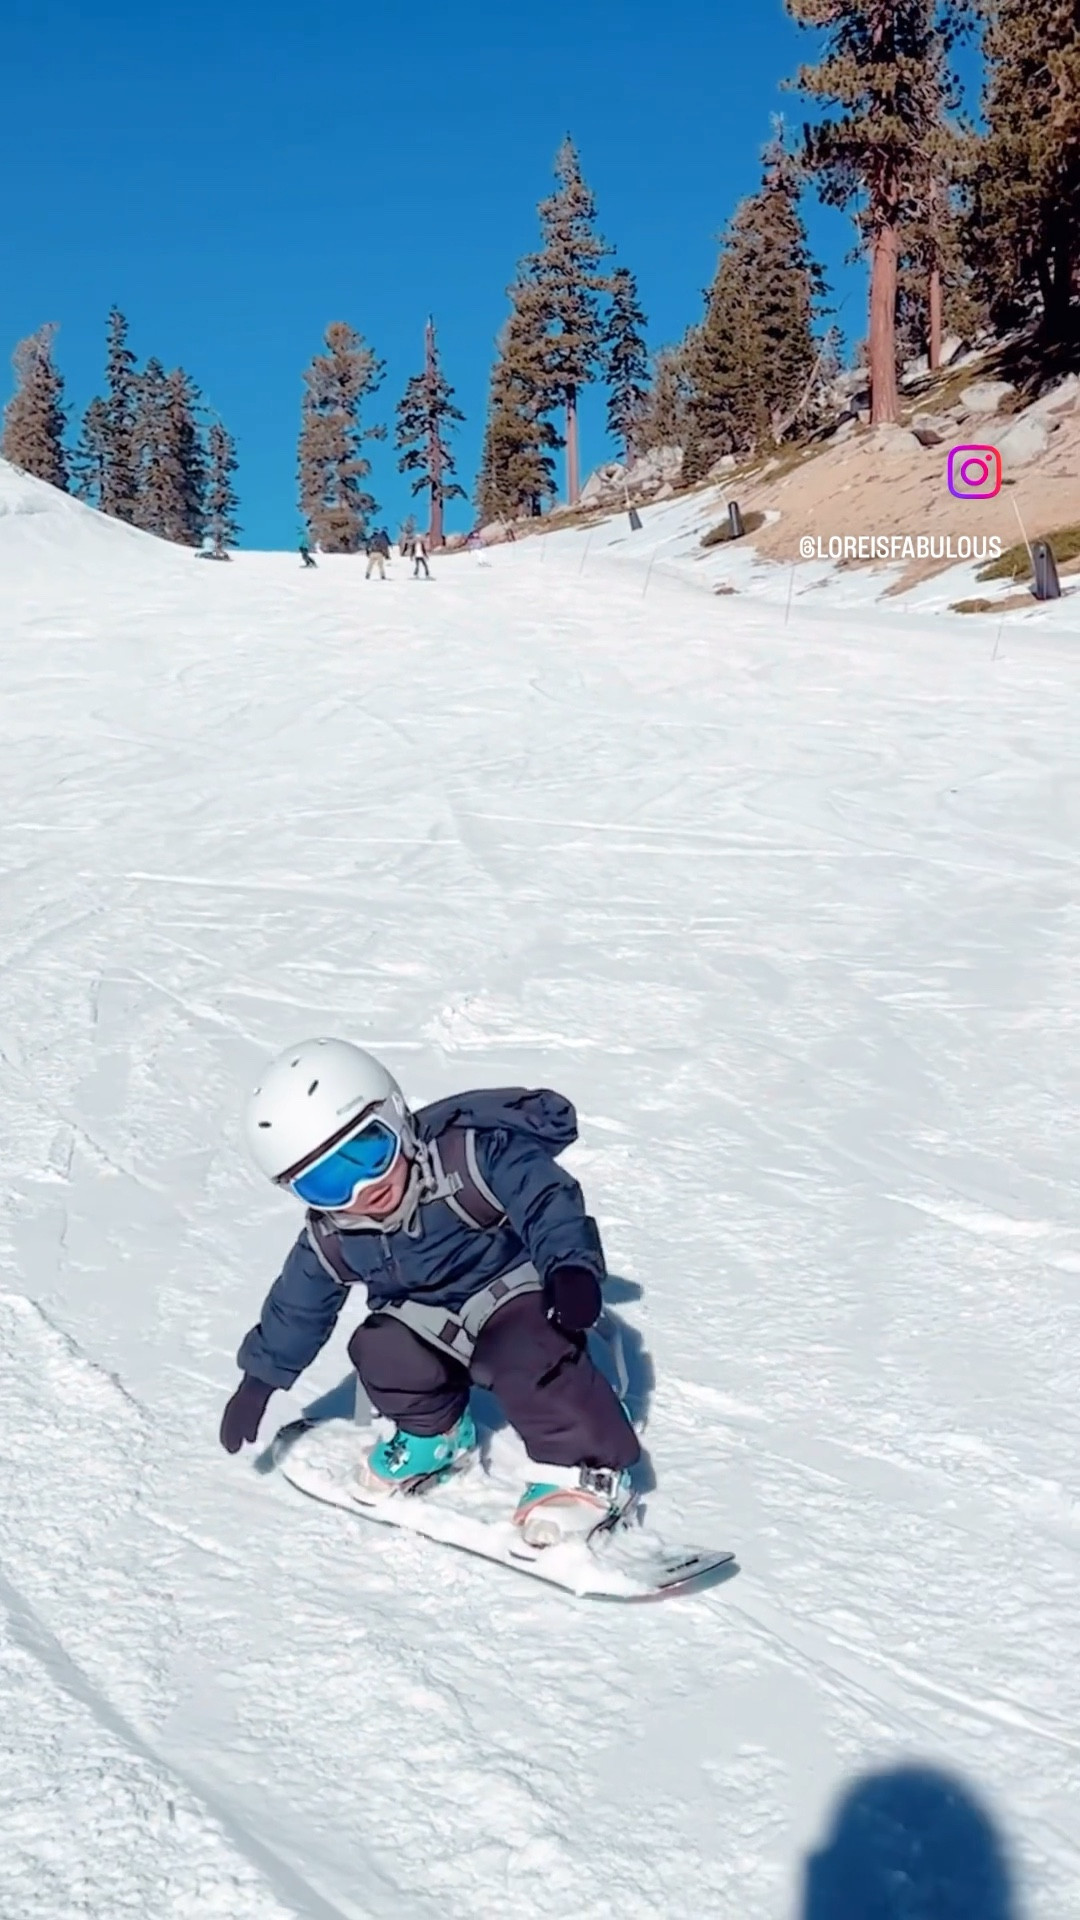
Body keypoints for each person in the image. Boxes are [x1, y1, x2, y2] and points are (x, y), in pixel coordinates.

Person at [220, 1040, 640, 1545]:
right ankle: (435, 1435)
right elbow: (298, 1305)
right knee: (378, 1347)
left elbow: (545, 1197)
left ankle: (584, 1474)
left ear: (396, 1116)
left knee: (528, 1354)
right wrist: (260, 1379)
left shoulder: (468, 1158)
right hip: (433, 1320)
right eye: (329, 1184)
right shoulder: (333, 1236)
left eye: (368, 1151)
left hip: (516, 1296)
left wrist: (570, 1267)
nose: (361, 1190)